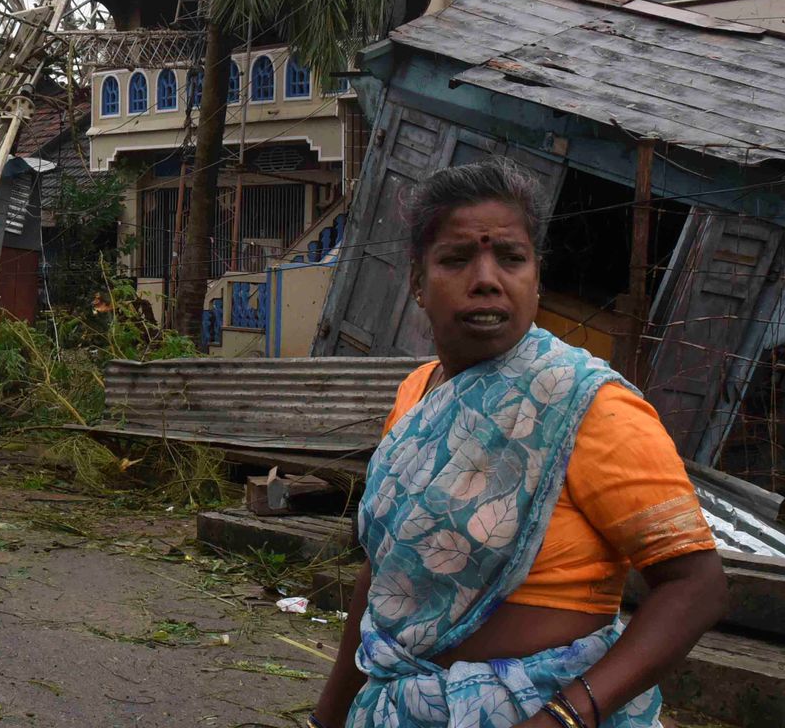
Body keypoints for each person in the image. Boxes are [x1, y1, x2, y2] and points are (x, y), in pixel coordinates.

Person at [311, 160, 726, 728]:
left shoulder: (587, 404)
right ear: (416, 281)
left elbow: (695, 587)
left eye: (510, 257)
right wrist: (328, 716)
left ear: (536, 277)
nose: (486, 278)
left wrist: (565, 717)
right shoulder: (416, 396)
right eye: (456, 258)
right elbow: (385, 573)